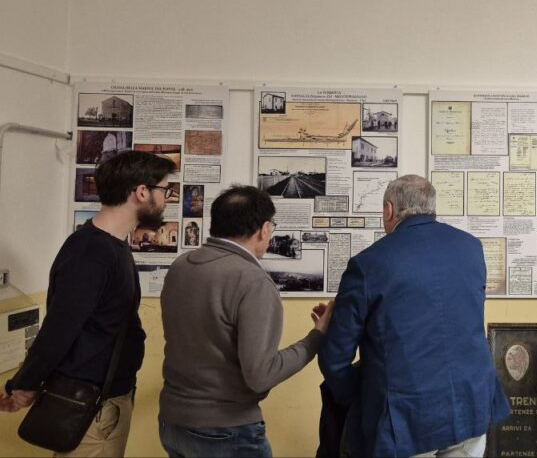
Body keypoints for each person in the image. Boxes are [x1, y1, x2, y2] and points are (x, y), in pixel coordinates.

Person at [319, 175, 510, 457]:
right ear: (431, 207)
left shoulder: (367, 264)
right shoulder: (470, 247)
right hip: (471, 404)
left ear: (389, 210)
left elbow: (335, 359)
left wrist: (358, 398)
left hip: (406, 420)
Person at [0, 150, 176, 457]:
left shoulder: (113, 245)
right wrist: (24, 384)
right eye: (165, 190)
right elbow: (58, 329)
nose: (167, 198)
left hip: (106, 400)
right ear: (141, 192)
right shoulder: (91, 252)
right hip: (89, 406)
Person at [159, 185, 332, 457]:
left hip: (173, 423)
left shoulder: (181, 266)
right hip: (225, 430)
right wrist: (315, 338)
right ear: (264, 229)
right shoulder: (252, 281)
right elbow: (261, 376)